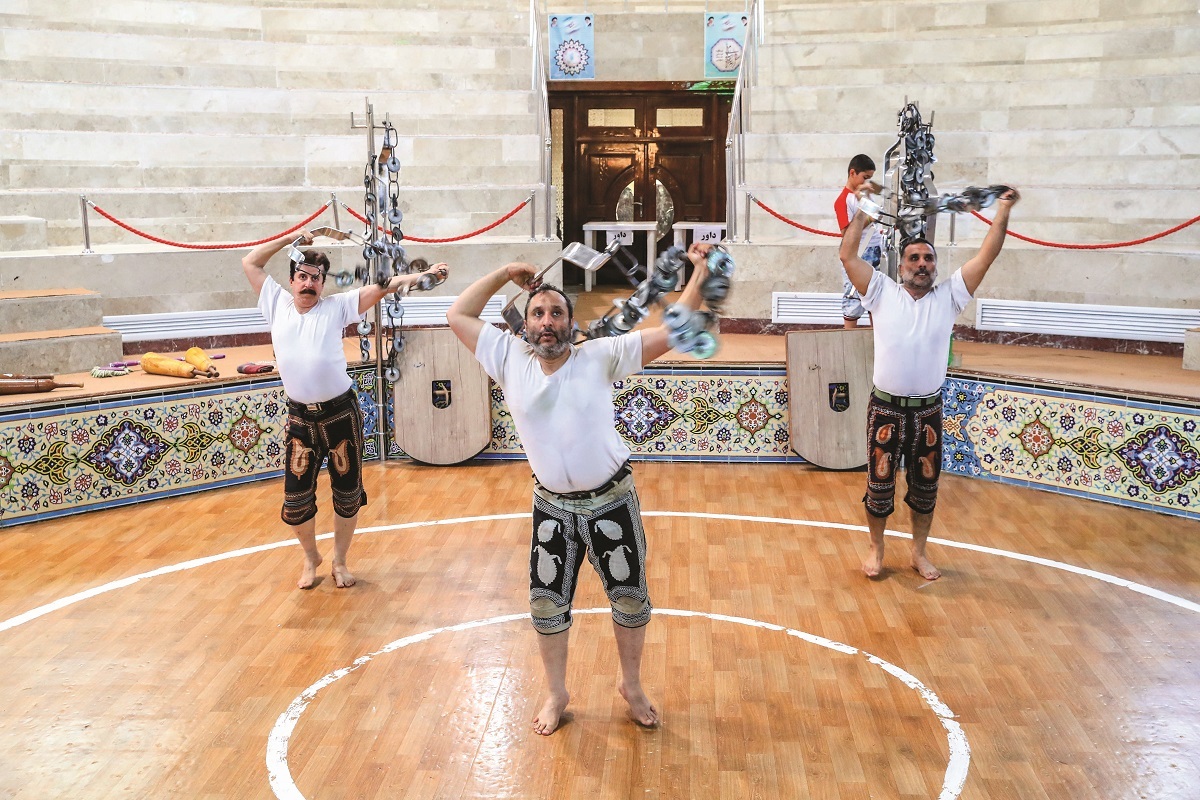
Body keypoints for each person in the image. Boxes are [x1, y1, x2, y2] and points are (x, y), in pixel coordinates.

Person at [446, 243, 716, 736]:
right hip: (551, 508)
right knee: (547, 606)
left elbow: (677, 330)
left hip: (611, 501)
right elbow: (457, 313)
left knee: (630, 599)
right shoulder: (507, 358)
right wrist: (506, 272)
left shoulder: (599, 356)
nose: (547, 321)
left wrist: (697, 273)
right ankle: (556, 693)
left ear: (571, 323)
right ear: (524, 324)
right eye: (538, 313)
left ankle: (631, 686)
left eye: (556, 313)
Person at [242, 231, 448, 590]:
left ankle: (339, 560)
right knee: (295, 501)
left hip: (340, 414)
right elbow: (250, 262)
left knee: (347, 492)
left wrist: (422, 275)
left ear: (323, 283)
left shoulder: (336, 307)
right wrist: (292, 237)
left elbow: (384, 286)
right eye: (302, 276)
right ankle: (311, 557)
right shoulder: (274, 302)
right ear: (291, 280)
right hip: (300, 418)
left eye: (315, 278)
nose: (308, 284)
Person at [839, 187, 1021, 580]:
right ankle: (877, 547)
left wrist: (1002, 208)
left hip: (928, 412)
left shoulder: (950, 296)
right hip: (886, 408)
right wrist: (865, 213)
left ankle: (919, 553)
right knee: (879, 484)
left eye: (928, 258)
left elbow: (988, 254)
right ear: (901, 266)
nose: (922, 264)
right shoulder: (881, 292)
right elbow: (847, 256)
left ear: (935, 266)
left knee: (925, 488)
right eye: (914, 258)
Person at [834, 154, 885, 329]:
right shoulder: (843, 200)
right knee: (853, 296)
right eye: (865, 178)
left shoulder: (864, 194)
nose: (867, 183)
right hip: (858, 253)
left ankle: (877, 341)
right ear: (852, 173)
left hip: (875, 250)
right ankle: (848, 340)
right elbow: (846, 233)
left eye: (870, 179)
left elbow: (875, 215)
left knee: (877, 298)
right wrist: (870, 218)